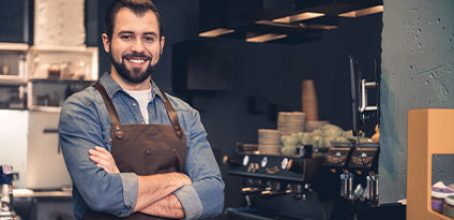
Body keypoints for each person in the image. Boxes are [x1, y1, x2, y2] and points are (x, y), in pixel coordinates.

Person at [58, 0, 225, 219]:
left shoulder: (186, 114)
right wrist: (178, 179)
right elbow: (101, 195)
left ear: (161, 45)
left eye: (148, 38)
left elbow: (213, 196)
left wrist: (122, 184)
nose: (138, 48)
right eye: (127, 36)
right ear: (107, 42)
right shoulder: (82, 109)